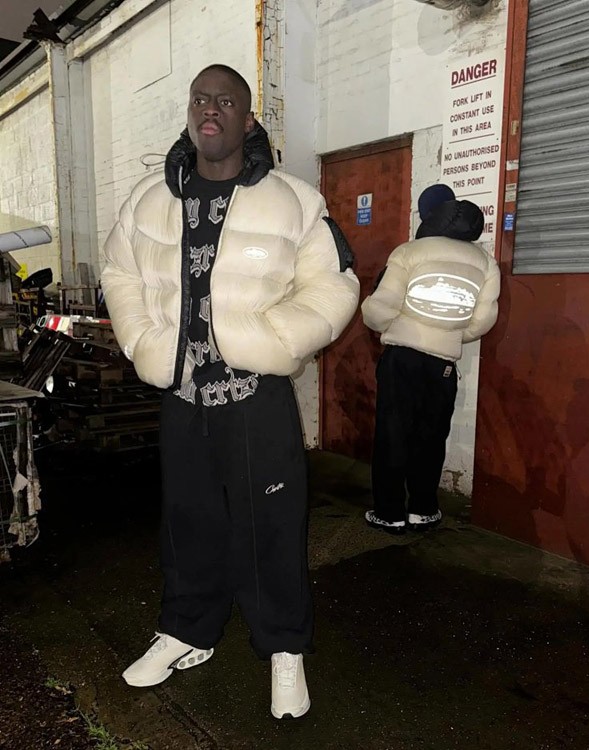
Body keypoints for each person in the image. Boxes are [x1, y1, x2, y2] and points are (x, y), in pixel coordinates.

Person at [101, 64, 359, 719]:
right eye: (200, 99)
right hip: (183, 397)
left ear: (247, 119)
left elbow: (334, 285)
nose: (209, 109)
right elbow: (119, 273)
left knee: (271, 526)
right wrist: (144, 343)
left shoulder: (293, 201)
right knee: (188, 522)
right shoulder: (149, 200)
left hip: (256, 397)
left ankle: (284, 646)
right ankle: (187, 631)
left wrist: (271, 339)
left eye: (225, 101)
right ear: (190, 113)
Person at [361, 190, 500, 535]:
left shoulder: (409, 252)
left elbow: (381, 309)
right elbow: (482, 322)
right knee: (431, 437)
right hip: (443, 365)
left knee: (393, 435)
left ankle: (390, 513)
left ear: (429, 217)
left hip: (403, 358)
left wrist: (379, 320)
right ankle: (423, 510)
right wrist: (450, 335)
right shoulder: (486, 263)